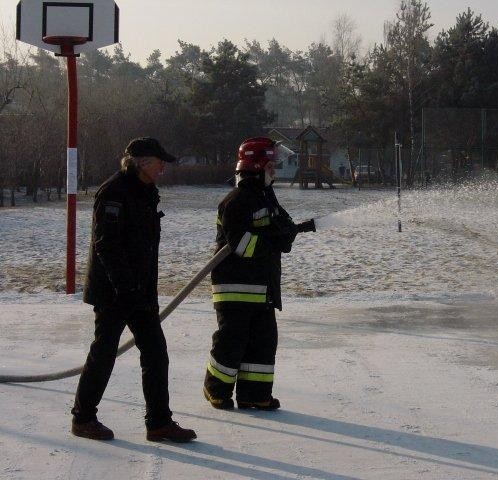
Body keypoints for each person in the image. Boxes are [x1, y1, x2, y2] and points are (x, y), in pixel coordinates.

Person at [71, 137, 196, 443]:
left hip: (140, 291)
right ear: (141, 162)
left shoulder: (146, 192)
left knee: (155, 354)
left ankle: (158, 423)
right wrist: (125, 287)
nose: (163, 167)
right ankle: (83, 418)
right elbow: (107, 245)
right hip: (115, 292)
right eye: (159, 162)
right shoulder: (113, 192)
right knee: (104, 353)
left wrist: (140, 289)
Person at [203, 137, 315, 411]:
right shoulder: (236, 201)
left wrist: (288, 233)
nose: (275, 171)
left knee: (263, 343)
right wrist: (275, 241)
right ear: (257, 166)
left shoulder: (267, 197)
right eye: (271, 166)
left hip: (262, 287)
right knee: (232, 341)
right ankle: (215, 389)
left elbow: (281, 227)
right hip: (236, 287)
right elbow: (241, 244)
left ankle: (255, 394)